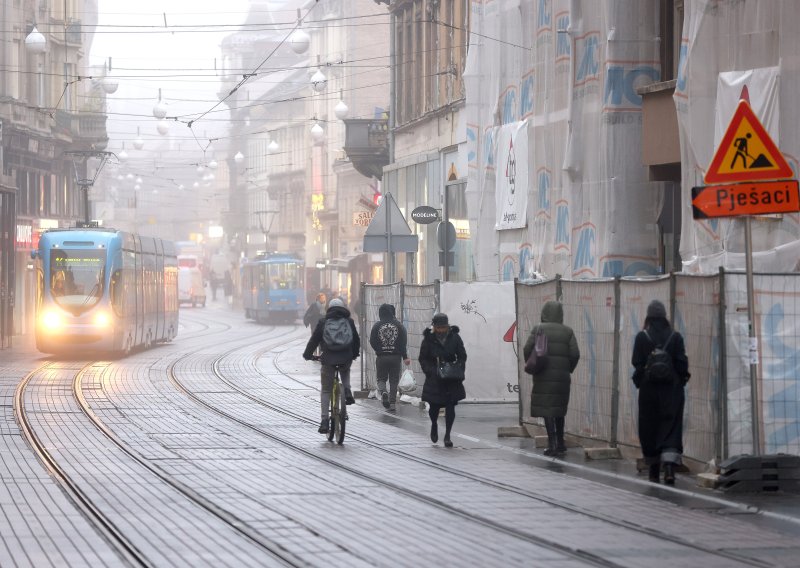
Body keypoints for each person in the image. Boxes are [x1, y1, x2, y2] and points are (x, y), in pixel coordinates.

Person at [631, 300, 689, 485]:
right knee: (671, 426)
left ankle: (654, 469)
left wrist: (641, 380)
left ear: (648, 317)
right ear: (665, 317)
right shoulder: (675, 337)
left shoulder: (642, 337)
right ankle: (670, 468)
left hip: (649, 390)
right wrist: (681, 381)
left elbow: (637, 363)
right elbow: (682, 364)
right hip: (672, 391)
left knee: (649, 427)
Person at [523, 300, 580, 457]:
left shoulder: (539, 328)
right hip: (563, 377)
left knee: (547, 409)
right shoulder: (568, 331)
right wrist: (568, 368)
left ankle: (552, 444)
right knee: (559, 409)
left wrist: (534, 365)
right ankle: (561, 443)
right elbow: (575, 354)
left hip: (543, 376)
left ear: (544, 313)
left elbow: (527, 348)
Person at [303, 298, 360, 433]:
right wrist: (354, 354)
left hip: (328, 359)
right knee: (345, 370)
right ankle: (347, 390)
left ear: (329, 308)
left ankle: (324, 421)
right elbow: (356, 340)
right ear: (343, 307)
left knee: (326, 390)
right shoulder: (349, 321)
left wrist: (308, 355)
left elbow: (314, 340)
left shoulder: (323, 322)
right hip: (345, 357)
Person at [419, 313, 466, 448]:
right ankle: (434, 425)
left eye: (443, 327)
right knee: (434, 407)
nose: (441, 330)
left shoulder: (454, 337)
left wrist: (458, 368)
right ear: (434, 327)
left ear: (447, 326)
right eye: (438, 328)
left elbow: (462, 355)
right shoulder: (428, 339)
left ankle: (447, 435)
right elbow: (423, 358)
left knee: (450, 406)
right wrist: (430, 371)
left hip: (451, 378)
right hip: (434, 378)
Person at [369, 303, 411, 411]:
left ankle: (383, 392)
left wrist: (379, 350)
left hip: (381, 357)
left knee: (381, 379)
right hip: (395, 357)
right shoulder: (399, 325)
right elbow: (403, 342)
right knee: (394, 380)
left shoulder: (377, 326)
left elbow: (372, 340)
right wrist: (405, 356)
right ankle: (392, 403)